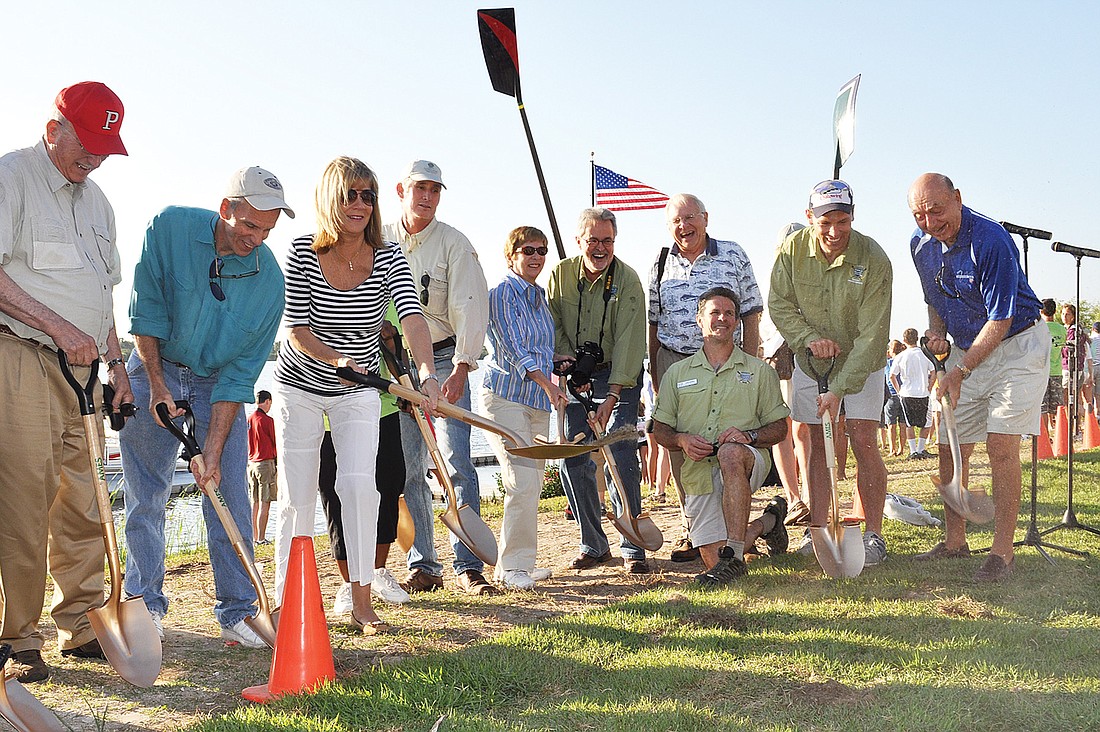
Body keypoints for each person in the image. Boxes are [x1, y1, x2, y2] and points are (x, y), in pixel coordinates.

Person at [121, 166, 293, 648]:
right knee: (147, 493)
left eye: (267, 230)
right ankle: (144, 603)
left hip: (218, 380)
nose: (256, 239)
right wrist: (157, 385)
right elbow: (146, 312)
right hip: (156, 362)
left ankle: (239, 610)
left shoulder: (268, 283)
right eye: (250, 226)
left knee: (229, 494)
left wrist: (213, 449)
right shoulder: (169, 227)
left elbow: (240, 375)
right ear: (227, 209)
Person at [272, 156, 439, 633]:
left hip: (360, 389)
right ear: (330, 198)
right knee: (297, 494)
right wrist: (336, 361)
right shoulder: (303, 250)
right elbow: (297, 331)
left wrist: (426, 375)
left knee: (360, 489)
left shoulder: (388, 255)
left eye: (368, 195)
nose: (360, 204)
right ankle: (288, 607)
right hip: (301, 385)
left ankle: (362, 602)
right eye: (350, 194)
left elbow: (410, 318)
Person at [0, 82, 130, 683]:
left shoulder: (99, 202)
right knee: (23, 499)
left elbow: (103, 295)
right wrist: (55, 325)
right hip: (22, 356)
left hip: (86, 371)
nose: (97, 157)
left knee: (83, 499)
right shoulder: (13, 178)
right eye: (89, 143)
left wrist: (118, 364)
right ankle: (15, 636)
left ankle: (80, 622)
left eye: (107, 146)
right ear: (54, 128)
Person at [908, 173, 1046, 582]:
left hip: (1017, 343)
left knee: (1000, 443)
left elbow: (1000, 318)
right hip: (968, 348)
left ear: (957, 199)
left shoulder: (992, 240)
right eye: (919, 214)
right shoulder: (919, 245)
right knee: (952, 445)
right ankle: (955, 542)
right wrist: (937, 332)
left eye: (936, 209)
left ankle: (1002, 553)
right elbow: (934, 296)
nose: (930, 221)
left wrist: (962, 371)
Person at [382, 160, 493, 596]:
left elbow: (471, 304)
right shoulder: (378, 239)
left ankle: (468, 566)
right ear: (401, 190)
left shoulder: (454, 244)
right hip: (391, 364)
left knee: (457, 462)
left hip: (446, 360)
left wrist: (463, 366)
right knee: (407, 469)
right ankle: (424, 564)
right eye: (419, 188)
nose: (426, 196)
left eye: (434, 189)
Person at [769, 180, 892, 566]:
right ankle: (818, 529)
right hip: (811, 361)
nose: (835, 232)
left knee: (862, 440)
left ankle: (872, 534)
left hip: (861, 360)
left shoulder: (873, 258)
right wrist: (808, 339)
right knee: (818, 446)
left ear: (853, 217)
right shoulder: (792, 249)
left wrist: (838, 389)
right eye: (825, 223)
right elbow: (779, 304)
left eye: (843, 221)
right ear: (810, 219)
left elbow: (873, 335)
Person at [648, 193, 765, 562]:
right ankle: (694, 530)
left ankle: (734, 527)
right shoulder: (662, 260)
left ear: (705, 218)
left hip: (727, 362)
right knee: (684, 450)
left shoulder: (732, 254)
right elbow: (653, 319)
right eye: (676, 221)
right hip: (675, 361)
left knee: (729, 444)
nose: (684, 227)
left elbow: (750, 311)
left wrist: (749, 358)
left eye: (690, 218)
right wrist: (654, 367)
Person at [652, 287, 790, 587]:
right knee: (714, 560)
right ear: (699, 320)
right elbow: (660, 430)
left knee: (729, 452)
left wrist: (749, 436)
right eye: (714, 312)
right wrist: (681, 441)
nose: (722, 318)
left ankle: (736, 554)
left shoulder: (759, 372)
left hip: (746, 461)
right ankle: (769, 522)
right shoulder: (676, 373)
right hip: (697, 472)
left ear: (737, 323)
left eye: (729, 313)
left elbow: (780, 428)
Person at [548, 207, 650, 574]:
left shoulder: (629, 280)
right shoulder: (560, 275)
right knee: (571, 455)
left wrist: (612, 396)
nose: (601, 247)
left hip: (617, 377)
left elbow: (629, 340)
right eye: (593, 240)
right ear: (579, 241)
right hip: (576, 375)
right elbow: (554, 325)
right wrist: (569, 365)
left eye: (607, 240)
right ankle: (593, 543)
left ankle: (634, 545)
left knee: (621, 450)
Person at [482, 226, 569, 590]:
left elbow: (537, 349)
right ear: (511, 255)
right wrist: (547, 382)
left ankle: (516, 564)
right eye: (527, 250)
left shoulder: (539, 297)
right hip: (506, 398)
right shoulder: (502, 293)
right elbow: (513, 349)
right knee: (521, 481)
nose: (536, 256)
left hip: (536, 401)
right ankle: (512, 567)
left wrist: (557, 361)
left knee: (531, 483)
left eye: (541, 250)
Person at [319, 310, 412, 612]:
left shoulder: (389, 302)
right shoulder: (320, 294)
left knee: (389, 485)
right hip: (329, 414)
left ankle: (378, 570)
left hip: (382, 406)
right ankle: (349, 584)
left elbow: (398, 353)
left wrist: (390, 341)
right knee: (336, 496)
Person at [890, 328, 936, 459]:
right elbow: (933, 372)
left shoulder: (900, 356)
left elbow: (892, 376)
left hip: (906, 393)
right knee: (926, 423)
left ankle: (913, 450)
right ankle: (921, 449)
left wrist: (899, 391)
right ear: (917, 338)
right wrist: (929, 387)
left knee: (909, 424)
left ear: (904, 340)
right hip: (923, 393)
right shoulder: (925, 354)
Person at [247, 390, 277, 545]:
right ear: (268, 401)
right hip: (265, 463)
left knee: (255, 502)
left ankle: (253, 536)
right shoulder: (267, 420)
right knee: (265, 502)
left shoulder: (249, 419)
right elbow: (275, 442)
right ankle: (261, 538)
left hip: (251, 463)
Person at [1061, 302, 1090, 433]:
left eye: (1067, 314)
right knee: (1070, 399)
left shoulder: (1074, 331)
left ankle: (1079, 425)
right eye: (1062, 314)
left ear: (1073, 316)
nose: (1064, 316)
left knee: (1071, 399)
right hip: (1070, 368)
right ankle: (1074, 427)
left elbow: (1068, 350)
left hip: (1072, 369)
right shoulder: (1067, 329)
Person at [1040, 298, 1065, 436]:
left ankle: (1045, 437)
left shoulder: (1039, 328)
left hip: (1042, 371)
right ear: (1055, 311)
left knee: (1043, 406)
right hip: (1057, 371)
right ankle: (1060, 434)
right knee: (1058, 406)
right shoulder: (1061, 329)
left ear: (1041, 311)